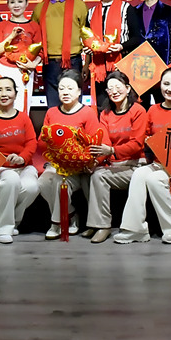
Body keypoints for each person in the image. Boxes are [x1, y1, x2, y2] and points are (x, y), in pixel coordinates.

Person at [113, 67, 171, 244]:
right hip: (159, 164)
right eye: (166, 84)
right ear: (160, 86)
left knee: (155, 179)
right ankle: (135, 230)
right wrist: (148, 141)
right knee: (139, 174)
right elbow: (146, 137)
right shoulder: (153, 110)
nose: (170, 88)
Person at [36, 69, 107, 239]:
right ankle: (71, 214)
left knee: (59, 181)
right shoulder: (51, 113)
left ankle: (57, 224)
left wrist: (91, 162)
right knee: (43, 182)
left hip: (79, 169)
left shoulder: (87, 113)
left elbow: (95, 142)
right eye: (61, 88)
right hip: (57, 165)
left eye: (70, 88)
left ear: (79, 91)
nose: (65, 92)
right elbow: (42, 143)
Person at [85, 71, 148, 244]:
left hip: (136, 166)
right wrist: (95, 161)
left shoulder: (138, 111)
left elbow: (137, 145)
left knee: (100, 176)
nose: (114, 91)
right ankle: (96, 224)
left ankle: (101, 225)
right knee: (93, 173)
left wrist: (112, 150)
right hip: (114, 165)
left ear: (128, 89)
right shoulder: (105, 114)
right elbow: (104, 144)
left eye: (118, 87)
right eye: (110, 88)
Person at [0, 77, 41, 243]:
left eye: (8, 89)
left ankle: (13, 220)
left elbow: (31, 142)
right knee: (11, 179)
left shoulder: (23, 118)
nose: (3, 94)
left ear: (15, 93)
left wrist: (22, 158)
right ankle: (2, 229)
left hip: (23, 166)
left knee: (32, 187)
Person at [31, 0, 88, 109]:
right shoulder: (39, 8)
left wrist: (87, 64)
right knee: (53, 107)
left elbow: (88, 37)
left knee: (74, 107)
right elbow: (33, 37)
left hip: (73, 62)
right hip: (49, 64)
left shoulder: (80, 6)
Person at [0, 0, 42, 112]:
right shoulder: (1, 25)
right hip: (4, 69)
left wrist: (33, 65)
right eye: (12, 2)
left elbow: (40, 51)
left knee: (22, 107)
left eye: (20, 1)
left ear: (26, 3)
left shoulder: (34, 26)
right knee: (2, 107)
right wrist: (11, 36)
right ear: (8, 4)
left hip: (25, 70)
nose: (16, 5)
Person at [84, 0, 129, 108]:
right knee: (102, 107)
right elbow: (87, 39)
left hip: (120, 64)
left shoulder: (126, 8)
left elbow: (137, 38)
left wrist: (121, 46)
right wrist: (86, 62)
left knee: (121, 105)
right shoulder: (91, 12)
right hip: (98, 68)